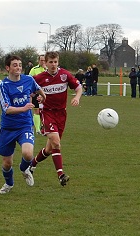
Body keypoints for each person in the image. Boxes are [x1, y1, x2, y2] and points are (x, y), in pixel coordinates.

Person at [30, 51, 83, 186]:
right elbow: (30, 94)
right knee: (56, 142)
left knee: (49, 149)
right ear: (45, 63)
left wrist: (77, 97)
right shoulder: (39, 78)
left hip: (61, 114)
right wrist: (37, 100)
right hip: (47, 113)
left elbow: (78, 87)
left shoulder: (64, 75)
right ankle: (61, 175)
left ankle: (31, 164)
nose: (53, 65)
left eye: (55, 62)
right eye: (50, 62)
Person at [0, 55, 46, 194]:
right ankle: (9, 184)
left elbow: (40, 92)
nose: (18, 67)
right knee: (7, 163)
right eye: (15, 65)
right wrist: (23, 108)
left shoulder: (28, 79)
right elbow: (7, 109)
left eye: (19, 64)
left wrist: (41, 97)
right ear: (8, 68)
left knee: (28, 154)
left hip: (25, 125)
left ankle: (24, 168)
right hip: (8, 127)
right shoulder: (3, 85)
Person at [29, 55, 47, 134]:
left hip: (47, 93)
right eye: (41, 60)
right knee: (37, 110)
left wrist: (46, 68)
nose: (43, 62)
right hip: (37, 92)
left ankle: (45, 126)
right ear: (38, 61)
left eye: (44, 60)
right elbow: (29, 81)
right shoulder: (34, 69)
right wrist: (31, 92)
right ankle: (37, 129)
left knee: (45, 110)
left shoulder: (48, 69)